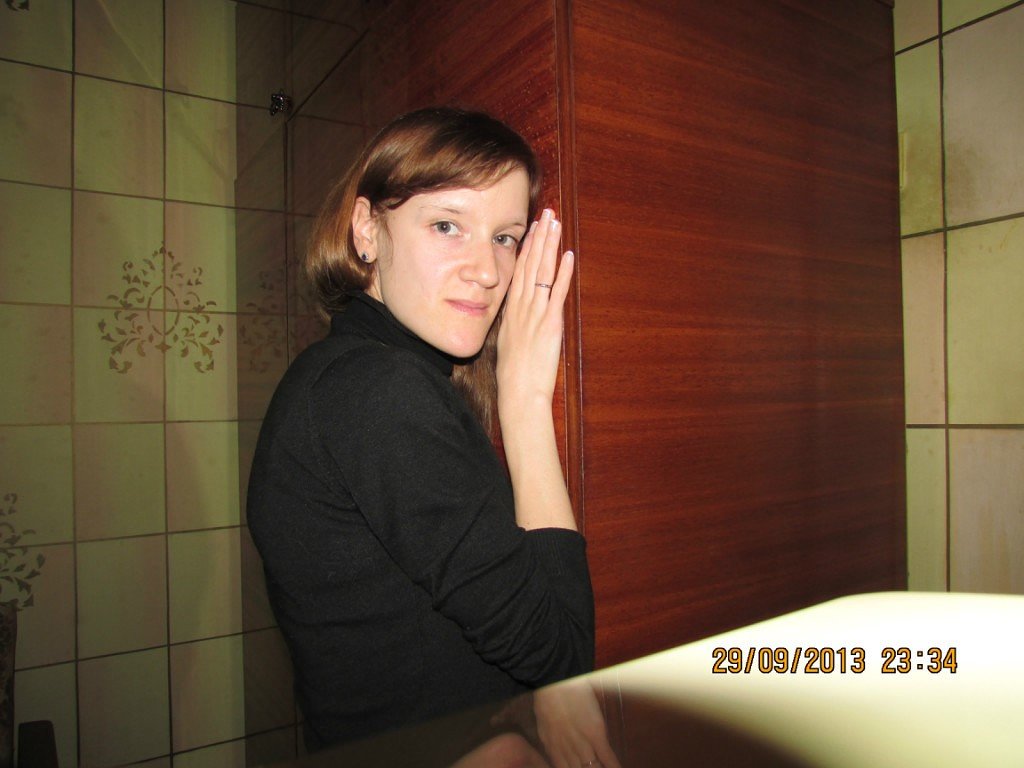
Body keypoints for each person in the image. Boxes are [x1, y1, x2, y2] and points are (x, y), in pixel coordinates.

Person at [247, 107, 616, 767]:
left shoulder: (347, 380)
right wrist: (525, 399)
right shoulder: (377, 392)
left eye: (505, 237)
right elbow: (559, 653)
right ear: (367, 229)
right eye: (448, 226)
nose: (487, 270)